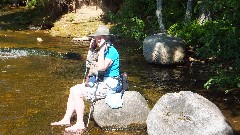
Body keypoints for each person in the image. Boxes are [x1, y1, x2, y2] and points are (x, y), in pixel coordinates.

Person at [50, 25, 120, 133]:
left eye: (101, 37)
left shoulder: (111, 51)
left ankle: (80, 124)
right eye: (97, 37)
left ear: (107, 38)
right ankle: (66, 119)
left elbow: (101, 68)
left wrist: (101, 50)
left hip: (110, 84)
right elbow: (88, 65)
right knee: (73, 89)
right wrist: (91, 49)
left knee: (78, 93)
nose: (98, 39)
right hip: (101, 82)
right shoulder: (101, 50)